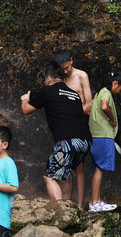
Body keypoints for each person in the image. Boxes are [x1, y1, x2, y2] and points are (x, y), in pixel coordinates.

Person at [21, 63, 92, 203]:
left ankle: (61, 212)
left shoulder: (48, 90)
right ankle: (68, 209)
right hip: (85, 142)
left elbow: (26, 110)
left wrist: (25, 99)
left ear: (48, 80)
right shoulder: (74, 94)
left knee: (49, 177)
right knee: (66, 175)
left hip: (68, 142)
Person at [54, 49, 93, 208]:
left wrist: (74, 113)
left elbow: (89, 105)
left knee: (79, 166)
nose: (65, 71)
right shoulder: (59, 79)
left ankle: (80, 204)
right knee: (66, 165)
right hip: (64, 125)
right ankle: (65, 204)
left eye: (67, 67)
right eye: (62, 69)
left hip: (80, 123)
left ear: (72, 60)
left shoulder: (81, 76)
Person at [88, 70, 121, 212]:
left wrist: (96, 118)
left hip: (96, 136)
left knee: (99, 169)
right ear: (115, 83)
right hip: (104, 136)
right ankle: (94, 203)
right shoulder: (106, 93)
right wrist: (111, 119)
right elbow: (105, 106)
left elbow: (88, 110)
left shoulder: (98, 93)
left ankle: (96, 201)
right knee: (100, 170)